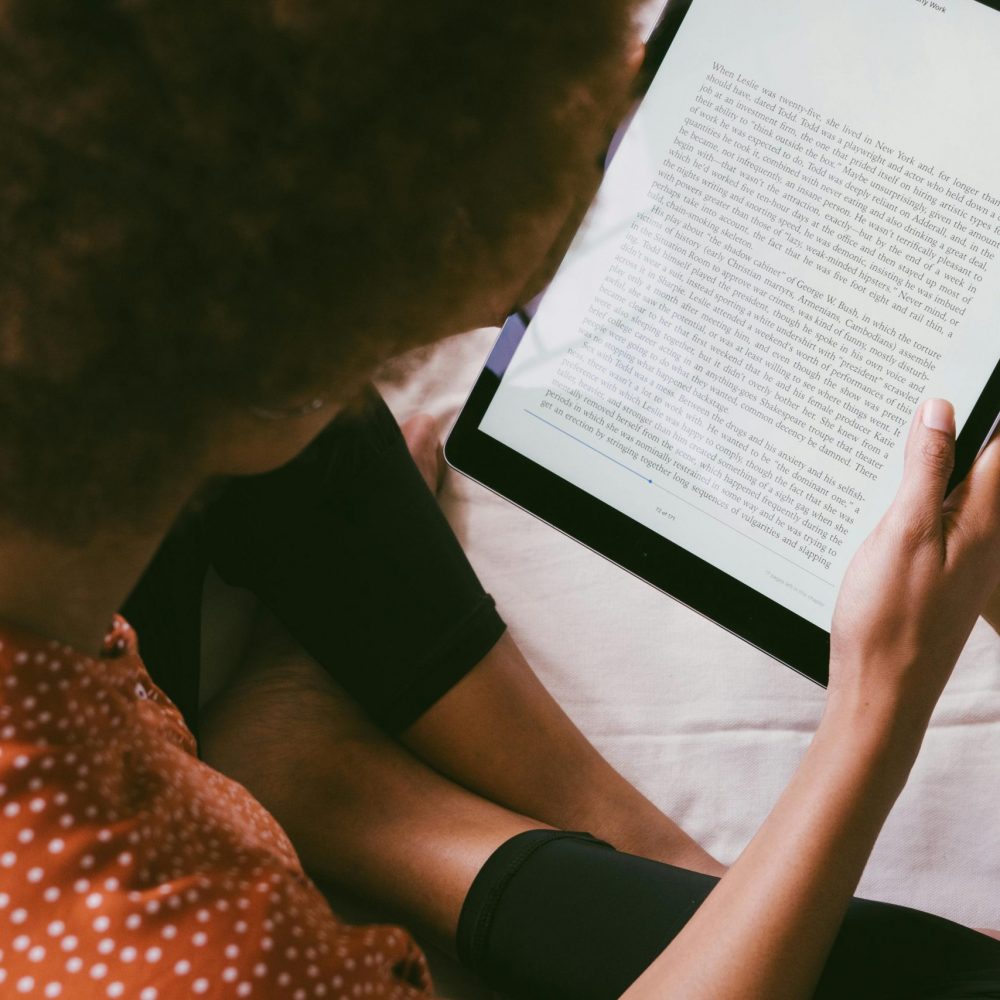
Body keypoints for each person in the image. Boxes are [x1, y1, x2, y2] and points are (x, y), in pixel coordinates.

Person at [0, 2, 997, 999]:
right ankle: (371, 807)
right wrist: (877, 702)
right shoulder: (211, 956)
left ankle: (604, 837)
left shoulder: (70, 271)